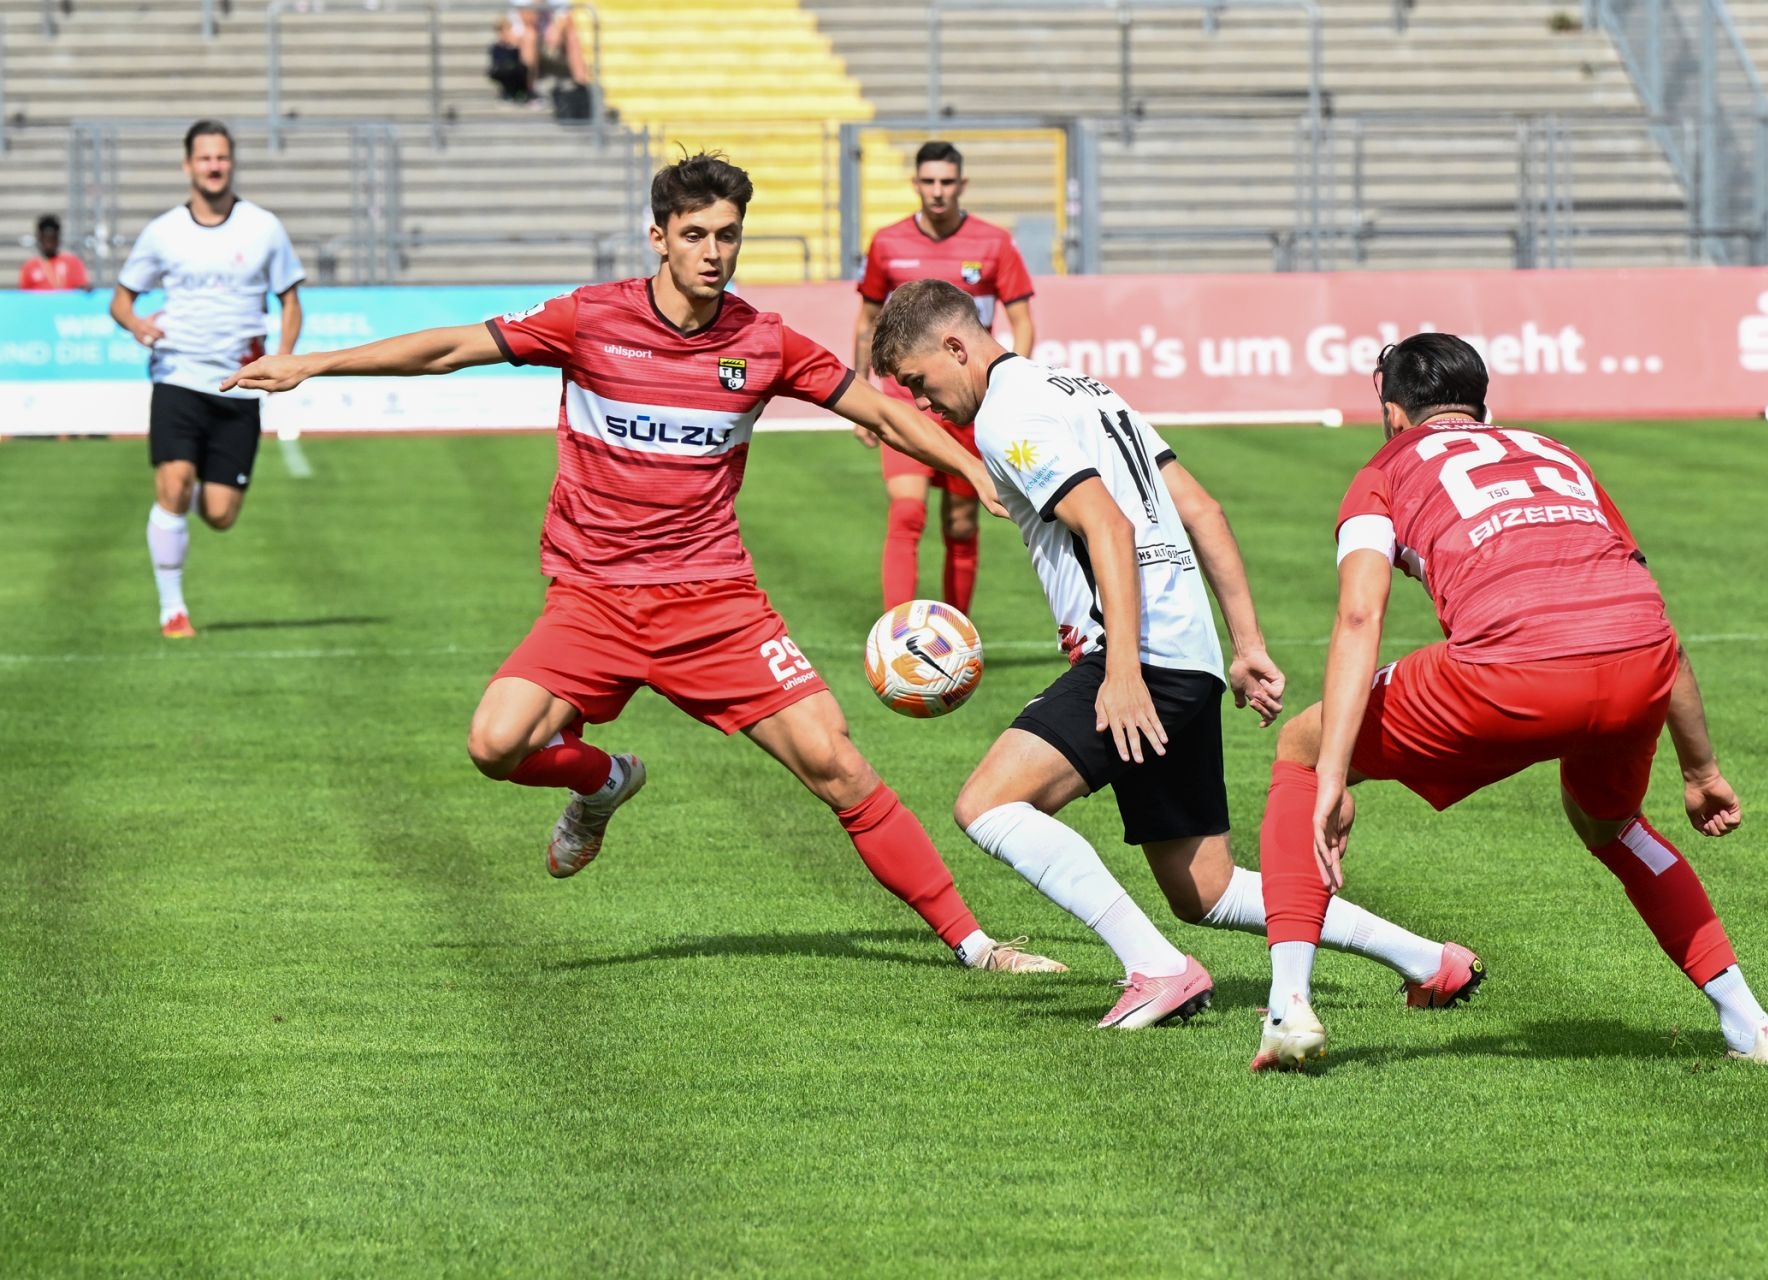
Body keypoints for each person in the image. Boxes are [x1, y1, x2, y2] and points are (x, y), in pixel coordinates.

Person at [223, 153, 1060, 976]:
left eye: (728, 236)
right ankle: (605, 779)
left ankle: (976, 945)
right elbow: (450, 350)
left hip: (715, 605)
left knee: (837, 764)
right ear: (657, 237)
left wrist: (970, 467)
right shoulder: (590, 320)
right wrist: (312, 364)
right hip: (592, 601)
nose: (713, 252)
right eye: (694, 233)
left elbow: (876, 406)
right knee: (493, 743)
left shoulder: (762, 343)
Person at [870, 280, 1483, 1028]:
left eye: (918, 382)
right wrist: (1246, 644)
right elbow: (1200, 508)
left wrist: (1121, 671)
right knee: (1207, 889)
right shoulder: (1083, 388)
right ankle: (1431, 961)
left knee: (989, 804)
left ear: (956, 346)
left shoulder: (1006, 413)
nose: (923, 403)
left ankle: (1156, 969)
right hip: (1183, 657)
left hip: (1138, 657)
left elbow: (1108, 527)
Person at [1250, 332, 1768, 1071]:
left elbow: (1358, 617)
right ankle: (1752, 1025)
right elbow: (1643, 605)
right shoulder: (1558, 455)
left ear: (1392, 414)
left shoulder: (1382, 470)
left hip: (1508, 675)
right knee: (1609, 822)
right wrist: (1700, 771)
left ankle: (1288, 1008)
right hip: (1637, 665)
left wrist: (1336, 775)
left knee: (1302, 751)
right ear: (1483, 408)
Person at [111, 120, 304, 639]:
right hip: (176, 375)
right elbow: (121, 300)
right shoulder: (163, 231)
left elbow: (290, 300)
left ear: (231, 163)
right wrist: (137, 324)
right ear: (187, 165)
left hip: (238, 384)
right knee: (173, 484)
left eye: (221, 157)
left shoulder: (263, 226)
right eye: (204, 158)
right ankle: (172, 609)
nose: (214, 166)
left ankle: (192, 493)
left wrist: (284, 359)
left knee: (220, 514)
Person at [853, 141, 1036, 616]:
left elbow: (1023, 323)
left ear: (962, 184)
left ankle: (955, 636)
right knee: (907, 512)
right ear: (916, 184)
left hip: (968, 405)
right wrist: (863, 394)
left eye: (946, 182)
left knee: (960, 522)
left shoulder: (993, 243)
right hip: (902, 401)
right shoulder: (888, 242)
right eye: (928, 182)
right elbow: (866, 320)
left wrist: (1011, 389)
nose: (937, 191)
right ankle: (897, 635)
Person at [19, 215, 91, 291]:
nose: (49, 243)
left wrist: (84, 289)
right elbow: (25, 296)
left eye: (52, 238)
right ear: (39, 239)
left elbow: (81, 287)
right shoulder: (30, 266)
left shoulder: (72, 262)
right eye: (45, 238)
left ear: (58, 238)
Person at [487, 16, 532, 103]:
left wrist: (514, 46)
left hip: (516, 72)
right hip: (503, 71)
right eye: (501, 31)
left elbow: (523, 62)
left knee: (519, 70)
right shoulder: (496, 47)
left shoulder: (516, 47)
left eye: (507, 30)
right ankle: (507, 92)